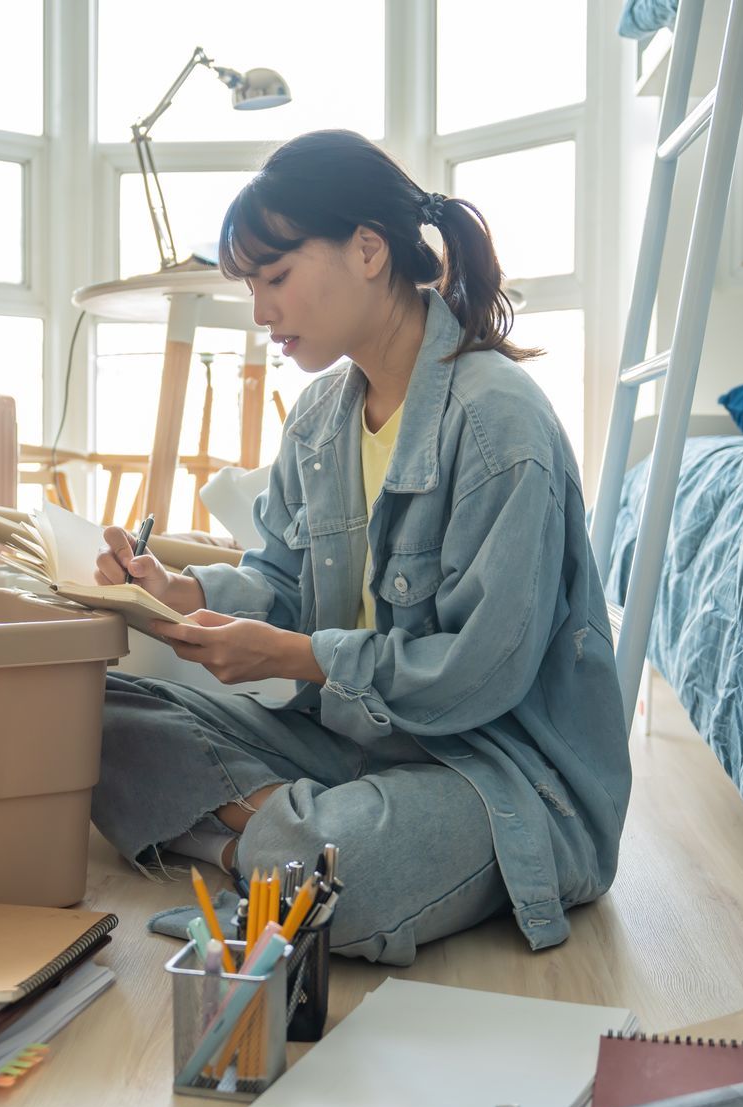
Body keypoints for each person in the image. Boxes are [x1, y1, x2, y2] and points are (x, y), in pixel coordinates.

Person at [89, 129, 631, 965]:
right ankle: (284, 853)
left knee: (349, 864)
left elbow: (478, 674)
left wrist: (301, 658)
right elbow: (279, 578)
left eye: (276, 277)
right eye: (252, 286)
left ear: (369, 251)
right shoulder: (317, 419)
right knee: (93, 720)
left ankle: (267, 850)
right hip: (349, 745)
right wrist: (186, 596)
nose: (262, 311)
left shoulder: (499, 425)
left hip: (498, 775)